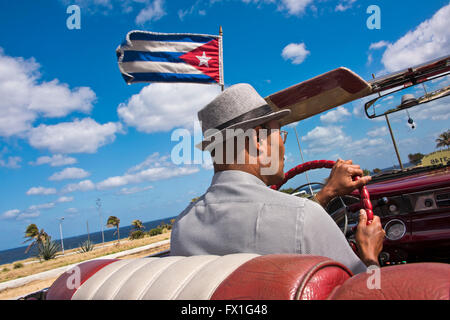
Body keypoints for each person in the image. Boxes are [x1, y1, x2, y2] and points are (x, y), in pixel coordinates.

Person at [170, 83, 385, 274]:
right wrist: (369, 255)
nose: (283, 144)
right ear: (258, 139)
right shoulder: (304, 218)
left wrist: (326, 194)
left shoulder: (182, 229)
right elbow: (365, 292)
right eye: (280, 132)